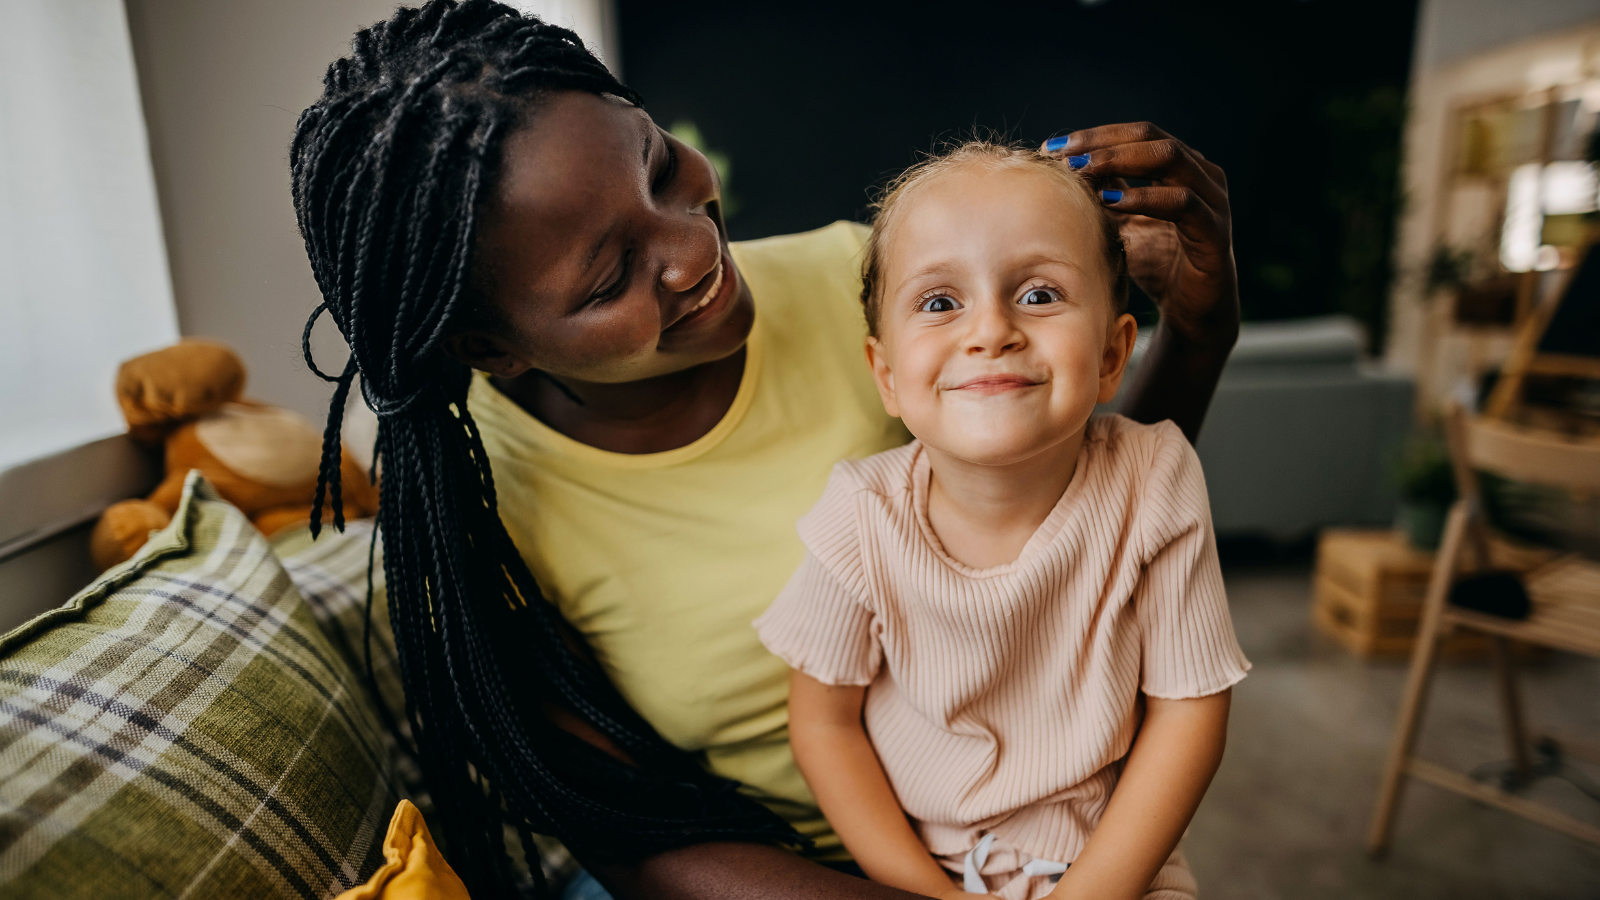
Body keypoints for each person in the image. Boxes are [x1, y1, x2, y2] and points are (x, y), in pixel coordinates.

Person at [289, 2, 1241, 897]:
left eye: (661, 166)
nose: (695, 247)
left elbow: (1094, 514)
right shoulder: (484, 507)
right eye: (615, 274)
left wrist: (1197, 334)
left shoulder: (878, 284)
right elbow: (631, 834)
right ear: (492, 350)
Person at [756, 141, 1249, 900]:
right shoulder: (860, 515)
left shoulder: (1156, 478)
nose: (991, 330)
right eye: (940, 302)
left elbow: (1189, 715)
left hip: (1118, 868)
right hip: (925, 874)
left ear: (1114, 355)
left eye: (1041, 295)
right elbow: (825, 726)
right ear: (886, 375)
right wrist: (927, 892)